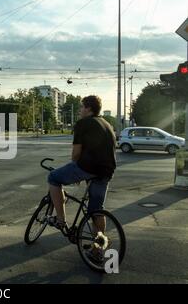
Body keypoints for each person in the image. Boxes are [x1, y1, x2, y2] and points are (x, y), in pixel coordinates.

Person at [47, 95, 116, 258]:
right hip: (106, 170)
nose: (79, 110)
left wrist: (76, 173)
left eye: (81, 107)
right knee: (96, 211)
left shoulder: (83, 123)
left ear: (89, 108)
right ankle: (98, 249)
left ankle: (61, 220)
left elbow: (76, 153)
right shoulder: (107, 124)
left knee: (53, 178)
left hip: (88, 167)